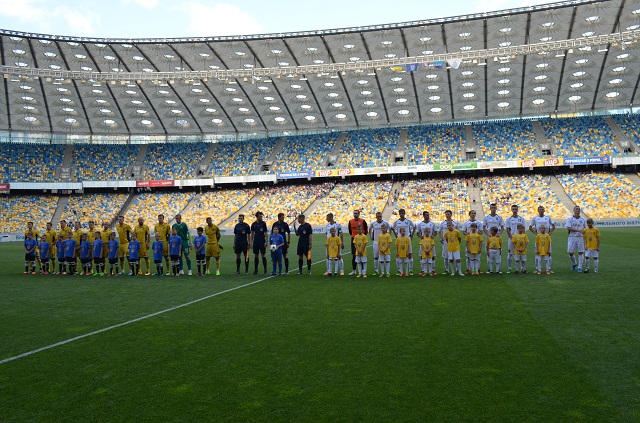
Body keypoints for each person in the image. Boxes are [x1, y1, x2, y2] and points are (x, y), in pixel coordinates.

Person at [529, 205, 555, 273]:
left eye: (542, 209)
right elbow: (530, 227)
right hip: (539, 238)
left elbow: (553, 226)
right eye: (540, 209)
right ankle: (537, 268)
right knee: (537, 252)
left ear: (544, 210)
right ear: (538, 211)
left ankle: (549, 268)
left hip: (547, 238)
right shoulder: (535, 218)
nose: (541, 210)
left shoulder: (548, 217)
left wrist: (550, 233)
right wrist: (536, 233)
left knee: (548, 253)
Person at [392, 208, 415, 275]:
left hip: (407, 239)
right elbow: (392, 228)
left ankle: (410, 270)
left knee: (409, 254)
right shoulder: (396, 222)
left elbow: (414, 227)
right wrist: (396, 236)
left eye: (402, 213)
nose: (401, 214)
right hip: (400, 240)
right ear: (399, 214)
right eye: (400, 213)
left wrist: (412, 235)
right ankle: (399, 270)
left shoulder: (408, 221)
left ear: (404, 213)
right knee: (398, 255)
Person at [505, 204, 526, 274]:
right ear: (511, 210)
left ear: (517, 210)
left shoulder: (521, 219)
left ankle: (522, 268)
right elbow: (507, 230)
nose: (514, 211)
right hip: (512, 238)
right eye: (513, 209)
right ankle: (509, 267)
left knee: (521, 253)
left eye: (515, 209)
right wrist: (511, 238)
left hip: (520, 239)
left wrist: (523, 237)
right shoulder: (509, 219)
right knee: (510, 253)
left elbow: (523, 229)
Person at [566, 205, 587, 273]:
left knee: (580, 252)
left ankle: (580, 267)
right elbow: (568, 228)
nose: (578, 210)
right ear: (574, 211)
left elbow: (586, 228)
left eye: (578, 209)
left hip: (580, 237)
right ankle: (575, 263)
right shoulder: (570, 219)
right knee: (570, 253)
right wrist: (578, 230)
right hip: (572, 237)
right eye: (576, 209)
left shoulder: (583, 219)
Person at [416, 211, 437, 276]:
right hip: (423, 242)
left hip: (430, 242)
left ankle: (432, 270)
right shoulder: (420, 224)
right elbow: (417, 232)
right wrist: (420, 236)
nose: (428, 216)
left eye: (428, 215)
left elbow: (435, 231)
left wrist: (433, 235)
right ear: (424, 216)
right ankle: (423, 270)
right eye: (426, 215)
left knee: (432, 256)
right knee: (422, 256)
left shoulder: (432, 224)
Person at [347, 209, 368, 275]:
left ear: (359, 214)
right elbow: (350, 231)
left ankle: (362, 271)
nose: (355, 214)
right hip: (354, 239)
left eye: (356, 213)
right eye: (354, 213)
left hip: (361, 239)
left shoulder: (362, 221)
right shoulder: (350, 221)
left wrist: (362, 236)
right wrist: (354, 236)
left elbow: (366, 229)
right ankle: (354, 270)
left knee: (361, 253)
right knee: (354, 255)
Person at [370, 211, 390, 276]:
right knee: (376, 256)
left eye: (380, 216)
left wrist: (388, 235)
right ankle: (376, 270)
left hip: (384, 242)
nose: (379, 218)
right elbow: (370, 229)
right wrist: (371, 236)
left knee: (384, 256)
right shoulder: (373, 223)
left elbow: (390, 228)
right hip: (376, 242)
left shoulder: (385, 223)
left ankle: (385, 272)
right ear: (376, 217)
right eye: (378, 217)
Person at [439, 210, 458, 275]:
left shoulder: (455, 223)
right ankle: (446, 269)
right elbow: (439, 231)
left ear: (451, 214)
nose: (447, 215)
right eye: (446, 214)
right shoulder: (442, 223)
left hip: (453, 242)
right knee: (446, 256)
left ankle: (457, 269)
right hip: (445, 242)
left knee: (455, 256)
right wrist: (441, 238)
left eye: (448, 214)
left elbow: (457, 232)